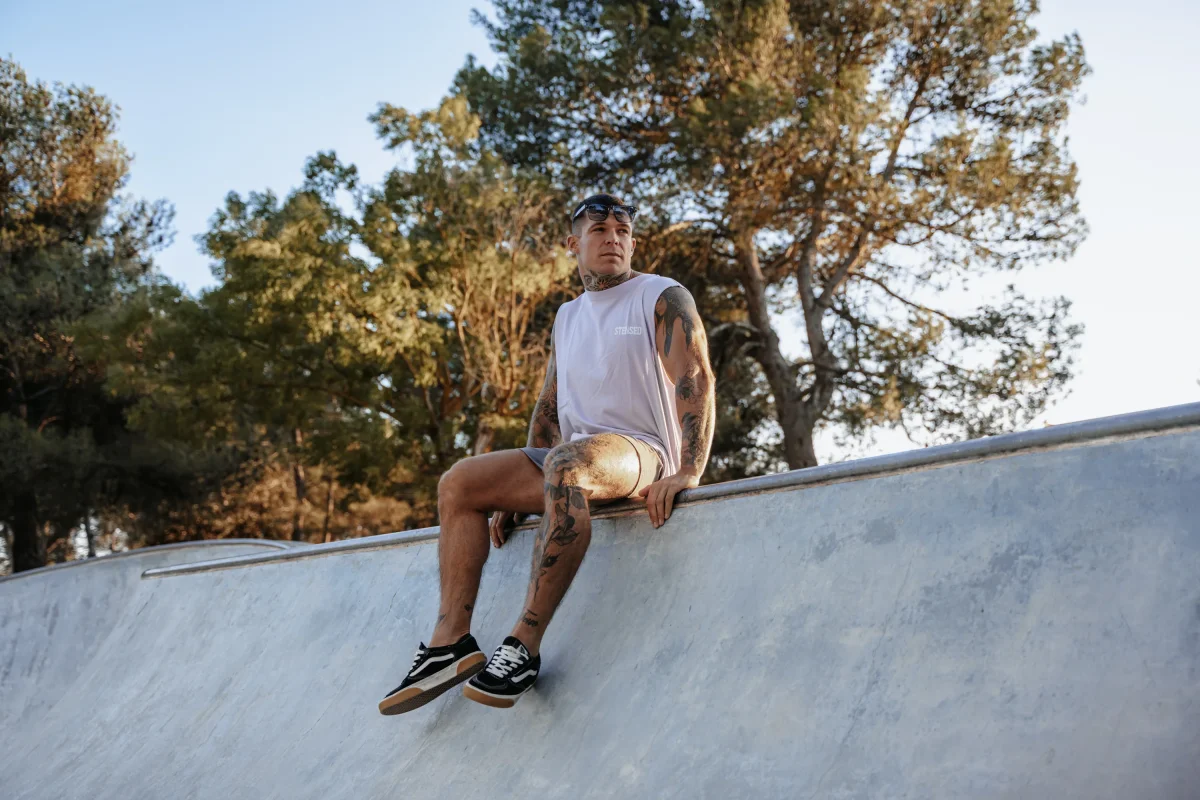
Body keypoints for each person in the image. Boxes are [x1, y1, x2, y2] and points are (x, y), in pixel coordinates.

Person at [378, 193, 716, 714]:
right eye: (599, 230)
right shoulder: (568, 315)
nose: (613, 239)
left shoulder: (661, 296)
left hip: (640, 453)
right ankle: (449, 644)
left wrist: (689, 468)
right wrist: (521, 490)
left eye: (623, 232)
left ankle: (524, 645)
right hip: (572, 461)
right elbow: (550, 404)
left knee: (566, 463)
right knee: (459, 483)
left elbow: (693, 375)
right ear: (572, 245)